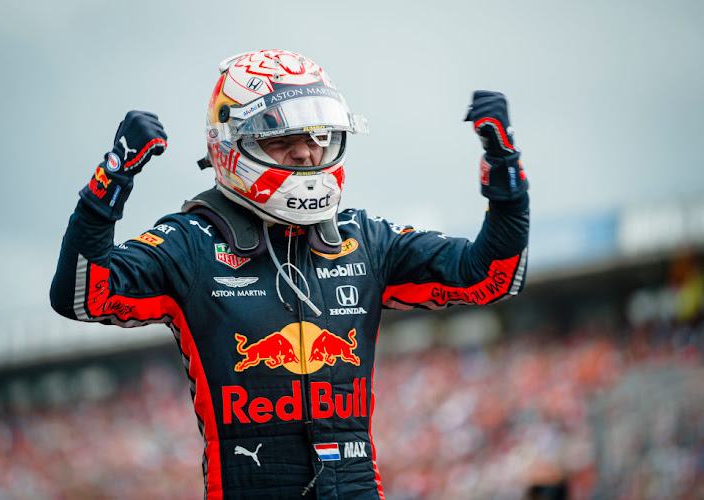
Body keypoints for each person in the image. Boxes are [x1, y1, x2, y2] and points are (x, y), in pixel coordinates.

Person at [50, 49, 529, 499]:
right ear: (230, 146)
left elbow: (493, 276)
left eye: (317, 136)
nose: (305, 154)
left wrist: (505, 174)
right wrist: (109, 183)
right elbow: (81, 296)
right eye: (282, 139)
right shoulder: (189, 243)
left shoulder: (366, 238)